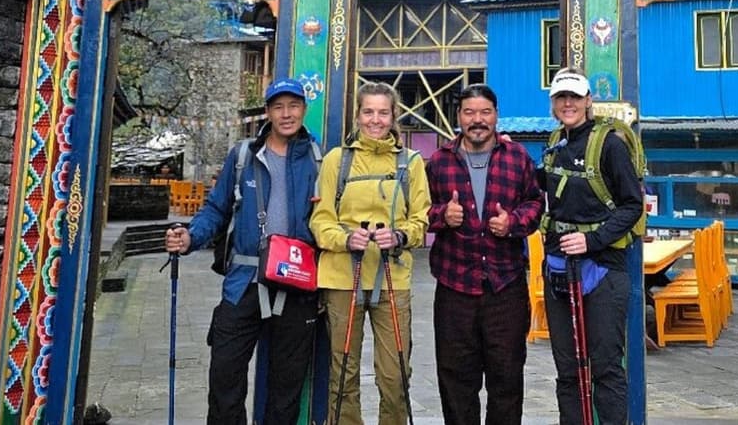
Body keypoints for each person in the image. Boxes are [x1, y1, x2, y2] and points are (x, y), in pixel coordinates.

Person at [164, 77, 322, 425]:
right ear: (267, 112)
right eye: (278, 106)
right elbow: (216, 209)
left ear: (303, 110)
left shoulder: (318, 158)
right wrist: (190, 237)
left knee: (287, 386)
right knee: (225, 375)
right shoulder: (244, 157)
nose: (286, 114)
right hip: (243, 281)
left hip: (296, 283)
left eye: (293, 106)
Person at [310, 81, 430, 425]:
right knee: (343, 373)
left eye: (383, 112)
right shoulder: (337, 160)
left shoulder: (411, 162)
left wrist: (402, 235)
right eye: (368, 112)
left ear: (394, 116)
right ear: (358, 115)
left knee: (395, 376)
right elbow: (321, 221)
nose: (375, 120)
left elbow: (421, 218)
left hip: (393, 278)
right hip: (342, 276)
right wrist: (346, 239)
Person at [425, 84, 544, 425]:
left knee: (507, 378)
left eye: (485, 112)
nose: (477, 120)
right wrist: (441, 217)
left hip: (505, 286)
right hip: (454, 287)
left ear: (496, 115)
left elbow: (536, 203)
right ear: (459, 116)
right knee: (456, 380)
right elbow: (419, 211)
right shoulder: (438, 162)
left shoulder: (517, 157)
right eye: (469, 112)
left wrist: (514, 223)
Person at [539, 68, 643, 425]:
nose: (567, 103)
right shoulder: (554, 143)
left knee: (606, 369)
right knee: (567, 371)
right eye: (560, 98)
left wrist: (591, 240)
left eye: (574, 97)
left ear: (588, 100)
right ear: (553, 104)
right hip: (557, 268)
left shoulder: (610, 144)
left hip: (603, 268)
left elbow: (632, 204)